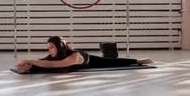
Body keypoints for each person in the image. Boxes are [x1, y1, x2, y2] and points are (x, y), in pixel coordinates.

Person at [14, 36, 154, 73]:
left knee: (110, 61)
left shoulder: (75, 56)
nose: (49, 51)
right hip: (66, 57)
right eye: (48, 48)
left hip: (84, 59)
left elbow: (52, 64)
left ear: (59, 47)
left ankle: (138, 60)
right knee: (43, 64)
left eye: (52, 47)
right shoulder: (53, 55)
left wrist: (29, 60)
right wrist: (28, 65)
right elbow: (44, 62)